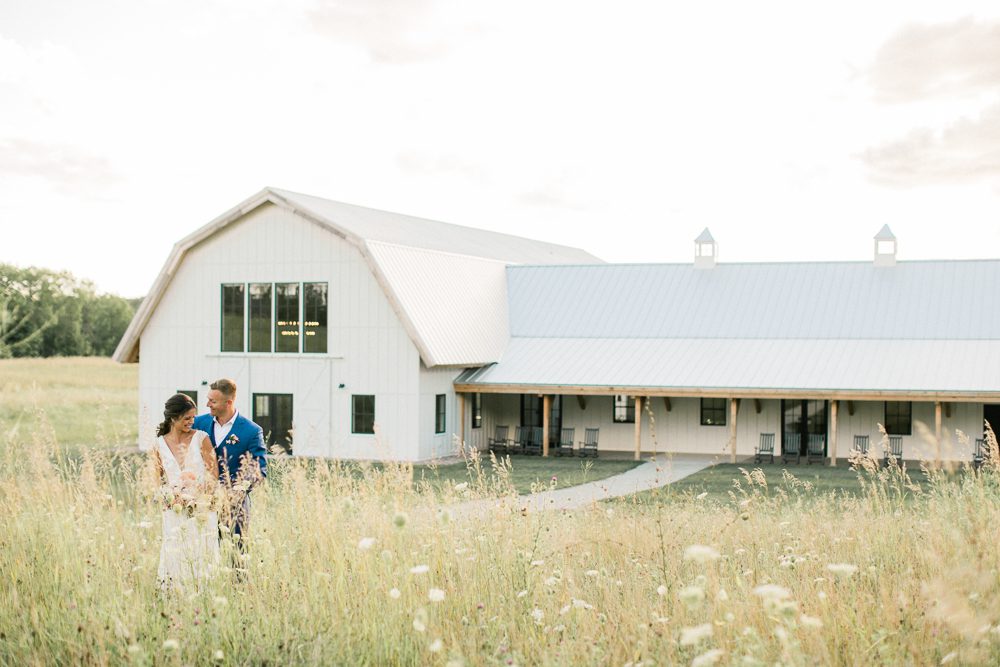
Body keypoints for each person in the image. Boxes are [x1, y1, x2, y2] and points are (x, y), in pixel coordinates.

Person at [152, 393, 220, 591]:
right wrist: (171, 496)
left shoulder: (201, 439)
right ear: (173, 418)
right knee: (175, 552)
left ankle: (204, 595)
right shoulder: (158, 445)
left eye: (193, 417)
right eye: (187, 418)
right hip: (174, 511)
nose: (192, 422)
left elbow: (213, 474)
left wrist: (199, 498)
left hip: (201, 510)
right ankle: (174, 595)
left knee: (202, 553)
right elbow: (156, 481)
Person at [193, 378, 267, 556]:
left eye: (213, 401)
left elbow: (259, 467)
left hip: (235, 506)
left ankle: (238, 585)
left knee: (238, 558)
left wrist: (239, 490)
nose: (207, 404)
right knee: (202, 554)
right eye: (208, 399)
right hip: (201, 502)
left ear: (229, 402)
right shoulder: (198, 423)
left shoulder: (251, 430)